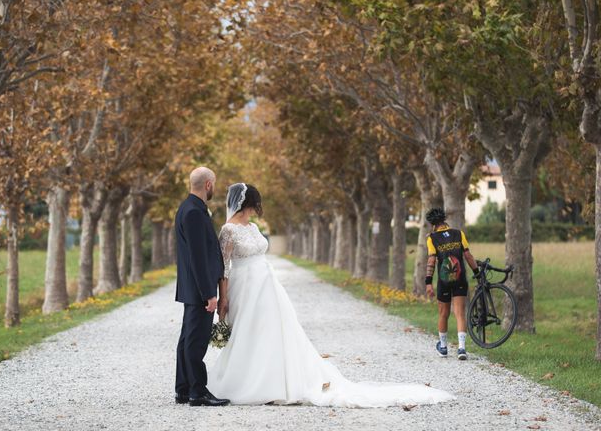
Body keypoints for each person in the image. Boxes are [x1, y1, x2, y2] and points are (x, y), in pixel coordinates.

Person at [207, 183, 455, 407]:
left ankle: (274, 382)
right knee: (246, 332)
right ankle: (247, 380)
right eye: (254, 205)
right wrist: (224, 297)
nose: (255, 210)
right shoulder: (228, 230)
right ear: (245, 203)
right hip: (244, 286)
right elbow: (225, 266)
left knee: (273, 332)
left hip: (267, 285)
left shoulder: (252, 227)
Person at [174, 167, 230, 406]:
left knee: (187, 339)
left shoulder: (188, 208)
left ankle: (183, 389)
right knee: (195, 341)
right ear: (208, 184)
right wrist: (210, 294)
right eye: (214, 184)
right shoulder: (195, 213)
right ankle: (198, 392)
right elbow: (198, 257)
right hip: (199, 290)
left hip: (192, 288)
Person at [425, 208, 479, 361]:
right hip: (460, 277)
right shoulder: (458, 233)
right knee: (460, 313)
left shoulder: (432, 238)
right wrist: (477, 272)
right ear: (444, 220)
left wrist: (428, 282)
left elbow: (431, 260)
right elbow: (467, 255)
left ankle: (443, 348)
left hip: (444, 280)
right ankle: (462, 348)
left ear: (432, 224)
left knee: (444, 314)